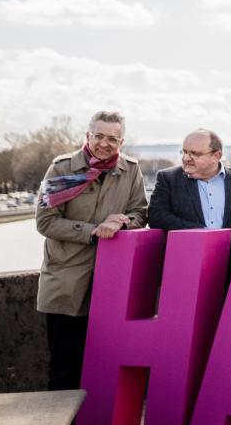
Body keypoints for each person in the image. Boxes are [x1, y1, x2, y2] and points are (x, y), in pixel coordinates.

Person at [35, 110, 150, 391]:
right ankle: (63, 423)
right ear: (88, 136)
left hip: (110, 283)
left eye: (112, 139)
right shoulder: (62, 168)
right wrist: (93, 231)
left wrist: (122, 222)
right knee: (64, 369)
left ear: (121, 142)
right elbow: (45, 222)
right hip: (66, 282)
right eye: (99, 136)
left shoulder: (130, 170)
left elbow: (140, 213)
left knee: (105, 369)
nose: (104, 143)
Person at [148, 129, 231, 233]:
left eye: (194, 154)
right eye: (184, 152)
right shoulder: (168, 179)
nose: (186, 158)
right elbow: (156, 217)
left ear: (216, 156)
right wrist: (200, 232)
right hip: (187, 245)